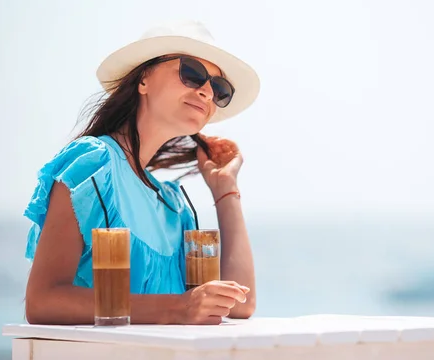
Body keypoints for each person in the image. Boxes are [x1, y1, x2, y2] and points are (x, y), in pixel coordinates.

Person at [23, 21, 260, 325]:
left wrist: (225, 189)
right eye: (192, 74)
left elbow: (240, 304)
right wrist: (179, 308)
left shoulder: (175, 205)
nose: (205, 92)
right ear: (143, 79)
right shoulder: (93, 165)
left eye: (219, 89)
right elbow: (43, 301)